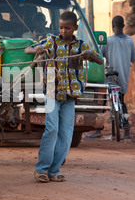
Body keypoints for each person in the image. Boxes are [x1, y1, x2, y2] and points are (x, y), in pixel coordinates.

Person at [25, 11, 102, 183]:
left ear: (75, 28)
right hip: (52, 92)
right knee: (51, 129)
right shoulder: (51, 41)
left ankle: (54, 170)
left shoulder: (81, 46)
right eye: (61, 27)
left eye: (67, 28)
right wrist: (37, 49)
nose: (63, 31)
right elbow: (27, 49)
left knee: (66, 134)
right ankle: (41, 169)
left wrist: (90, 56)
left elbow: (100, 61)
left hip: (70, 95)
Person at [87, 15, 135, 139]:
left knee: (102, 101)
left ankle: (98, 130)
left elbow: (99, 56)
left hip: (109, 76)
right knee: (122, 102)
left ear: (112, 26)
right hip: (123, 76)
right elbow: (133, 59)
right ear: (123, 26)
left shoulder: (108, 41)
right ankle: (127, 131)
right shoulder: (130, 40)